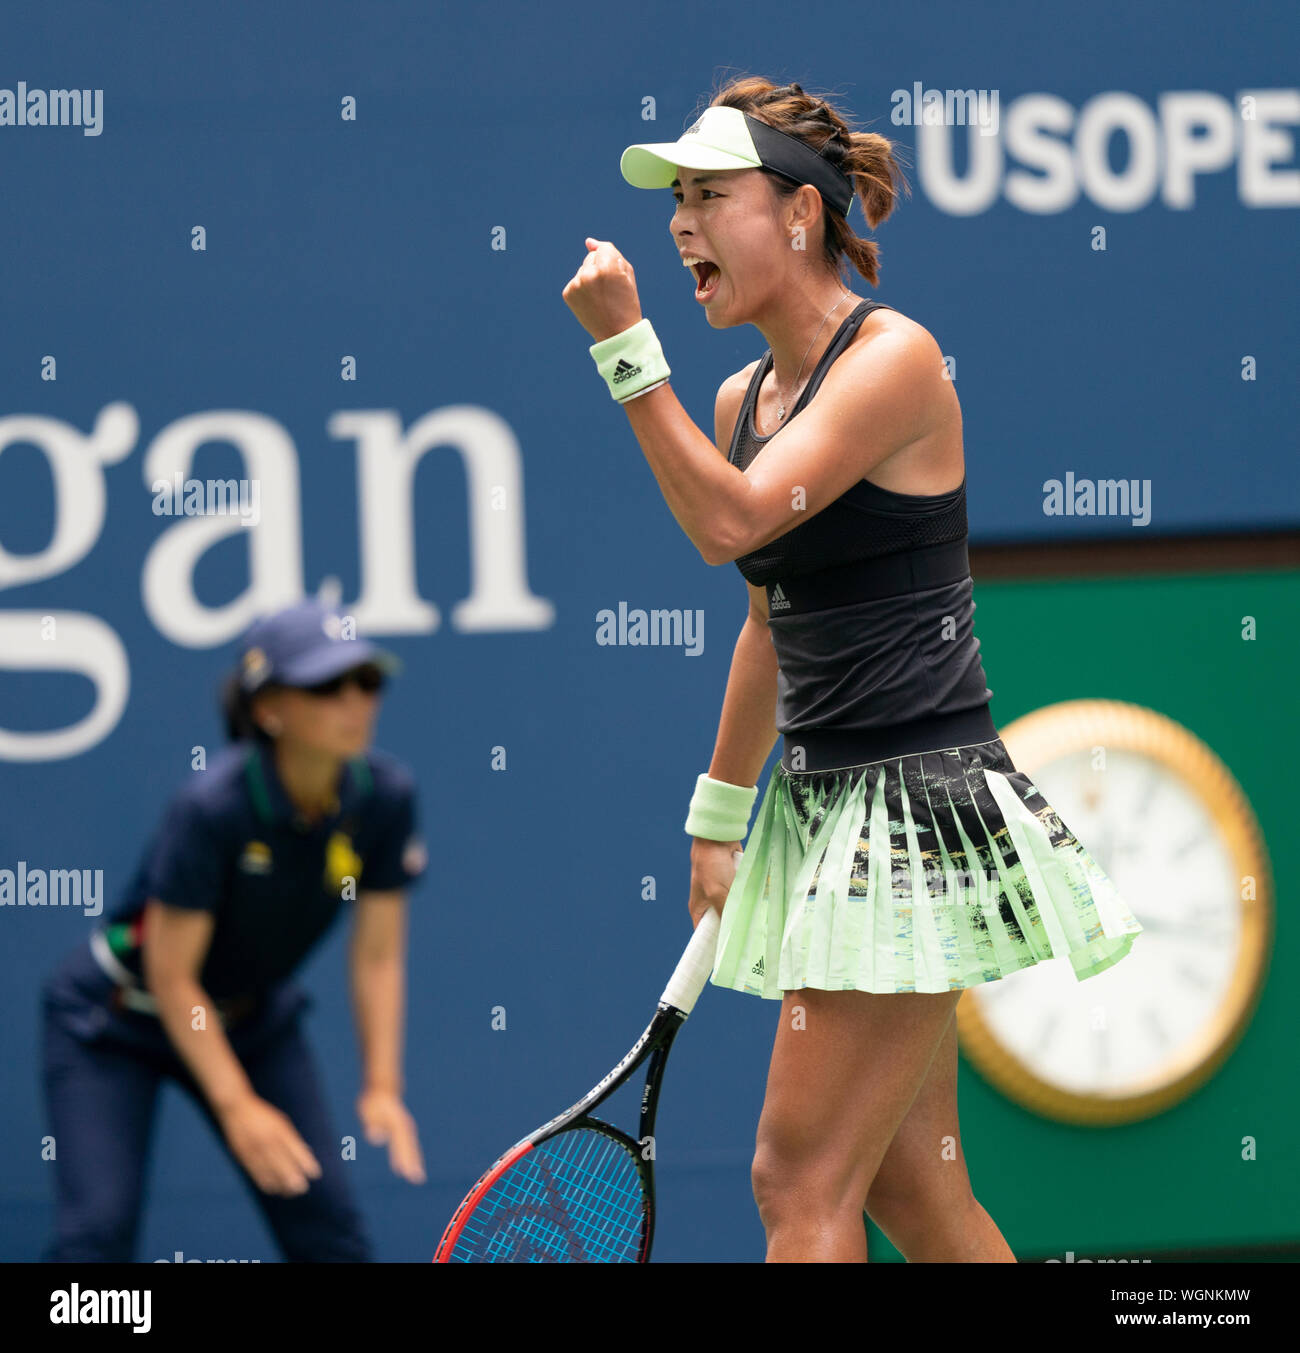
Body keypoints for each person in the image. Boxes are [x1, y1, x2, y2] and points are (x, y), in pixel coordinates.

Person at [562, 76, 1143, 1263]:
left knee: (796, 1181)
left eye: (709, 196)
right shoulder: (737, 399)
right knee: (911, 1198)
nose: (679, 225)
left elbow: (729, 524)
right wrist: (716, 819)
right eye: (675, 200)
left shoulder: (894, 360)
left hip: (914, 813)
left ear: (798, 215)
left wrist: (626, 351)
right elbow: (767, 618)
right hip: (827, 810)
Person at [39, 599, 429, 1261]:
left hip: (252, 1018)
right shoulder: (209, 809)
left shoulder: (385, 797)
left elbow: (378, 954)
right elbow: (171, 975)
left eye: (367, 681)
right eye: (327, 685)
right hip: (114, 1021)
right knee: (96, 1235)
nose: (356, 701)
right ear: (269, 709)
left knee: (330, 1235)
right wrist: (236, 1103)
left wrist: (383, 1085)